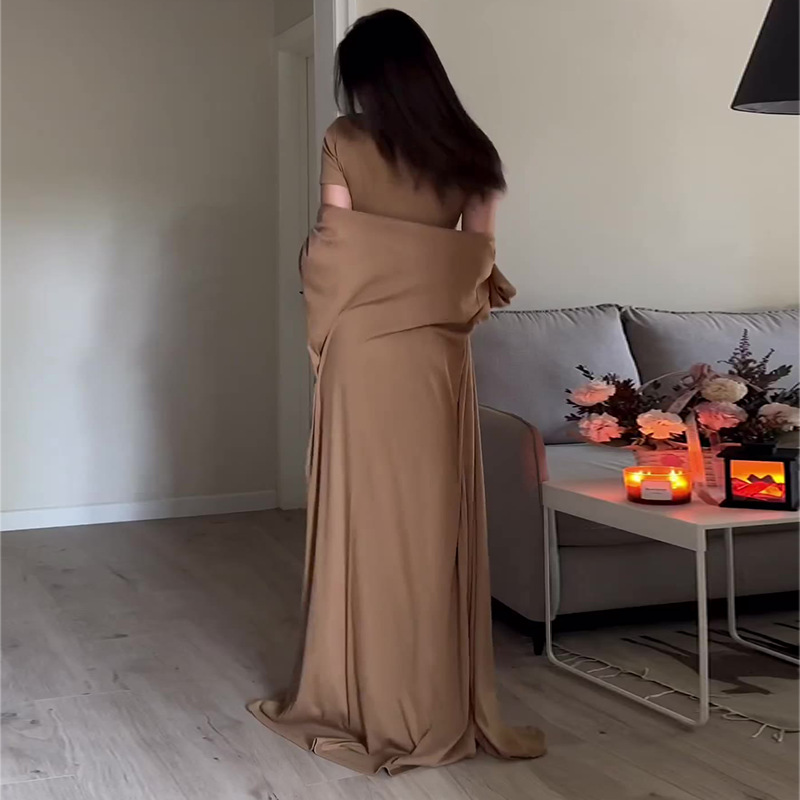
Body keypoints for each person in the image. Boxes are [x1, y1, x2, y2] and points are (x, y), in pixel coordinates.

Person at [248, 8, 546, 775]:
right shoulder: (473, 153)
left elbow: (335, 249)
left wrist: (371, 271)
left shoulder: (344, 139)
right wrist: (427, 269)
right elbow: (474, 264)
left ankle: (354, 691)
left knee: (361, 515)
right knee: (431, 519)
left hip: (361, 357)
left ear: (369, 80)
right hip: (434, 359)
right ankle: (434, 694)